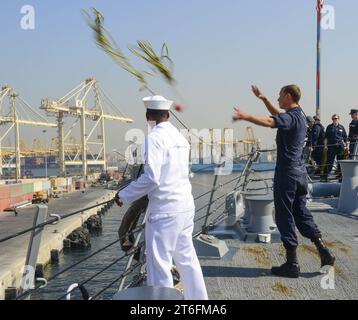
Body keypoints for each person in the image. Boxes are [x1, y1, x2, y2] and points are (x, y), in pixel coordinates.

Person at [232, 85, 335, 278]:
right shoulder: (300, 115)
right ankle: (323, 250)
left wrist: (246, 117)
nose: (277, 99)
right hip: (300, 174)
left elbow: (272, 121)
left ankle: (292, 264)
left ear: (288, 96)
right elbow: (278, 115)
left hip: (287, 175)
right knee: (301, 213)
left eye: (279, 96)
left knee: (284, 215)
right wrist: (263, 99)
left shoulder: (289, 118)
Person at [115, 95, 208, 300]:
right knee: (187, 260)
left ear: (149, 115)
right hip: (185, 206)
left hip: (165, 211)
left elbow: (152, 178)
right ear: (168, 114)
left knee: (159, 266)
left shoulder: (154, 138)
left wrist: (123, 195)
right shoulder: (180, 138)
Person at [324, 114, 348, 179]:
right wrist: (325, 146)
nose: (335, 120)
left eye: (336, 118)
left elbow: (345, 138)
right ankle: (326, 174)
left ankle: (340, 175)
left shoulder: (341, 127)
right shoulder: (329, 127)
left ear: (338, 119)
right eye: (333, 118)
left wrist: (346, 146)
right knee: (330, 161)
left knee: (340, 161)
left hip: (340, 147)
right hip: (331, 146)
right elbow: (326, 137)